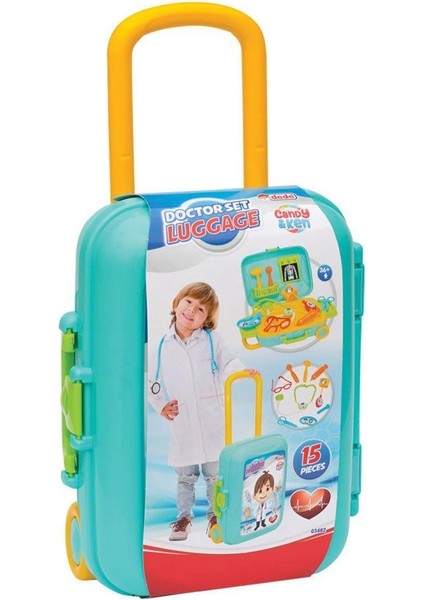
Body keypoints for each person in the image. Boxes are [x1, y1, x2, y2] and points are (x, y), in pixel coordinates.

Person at [148, 282, 257, 542]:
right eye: (189, 302)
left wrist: (242, 372)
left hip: (211, 419)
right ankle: (184, 518)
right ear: (177, 303)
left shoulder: (211, 340)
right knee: (185, 477)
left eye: (201, 309)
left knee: (215, 476)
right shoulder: (161, 346)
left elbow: (229, 362)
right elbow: (150, 381)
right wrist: (161, 405)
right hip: (182, 422)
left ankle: (216, 515)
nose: (192, 310)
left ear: (206, 319)